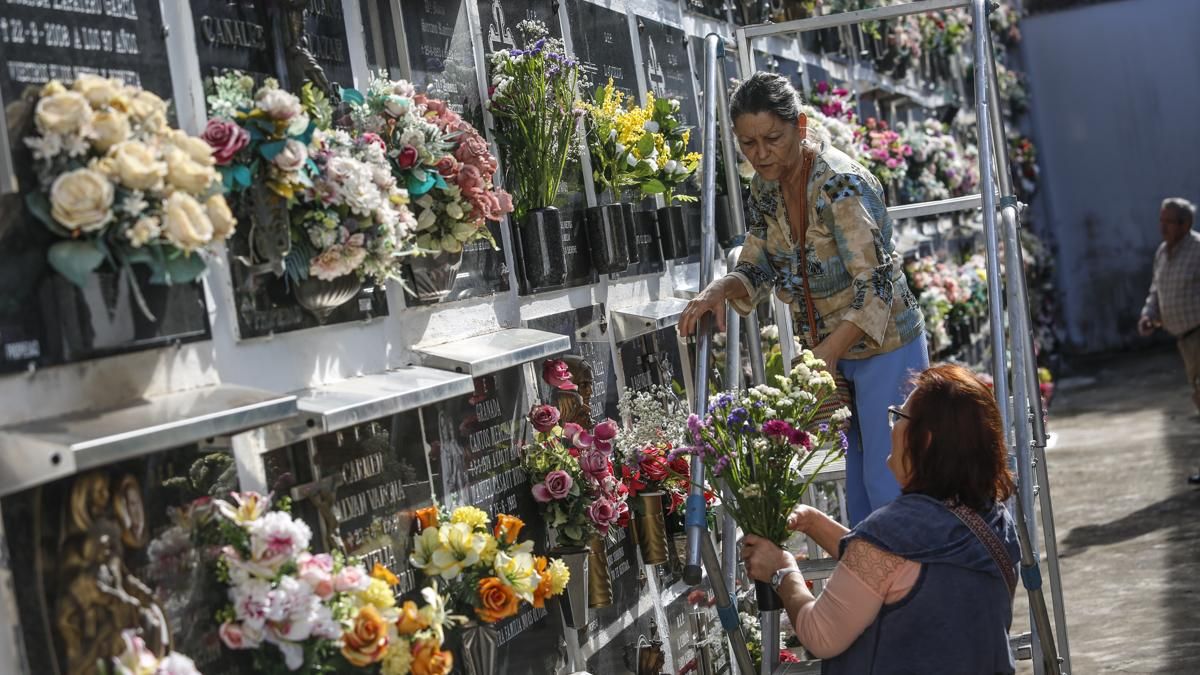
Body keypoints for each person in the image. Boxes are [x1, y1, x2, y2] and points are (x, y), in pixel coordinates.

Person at [679, 72, 927, 524]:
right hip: (830, 355)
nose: (760, 154)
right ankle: (875, 588)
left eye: (772, 138)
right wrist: (718, 289)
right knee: (858, 490)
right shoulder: (764, 187)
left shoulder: (841, 186)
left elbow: (877, 285)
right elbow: (757, 264)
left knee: (891, 481)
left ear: (802, 125)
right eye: (747, 144)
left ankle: (910, 589)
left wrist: (822, 358)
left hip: (885, 346)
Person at [740, 364, 1020, 673]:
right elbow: (897, 570)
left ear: (924, 441)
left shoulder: (892, 533)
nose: (892, 426)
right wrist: (813, 522)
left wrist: (782, 571)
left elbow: (820, 634)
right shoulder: (994, 521)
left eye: (899, 416)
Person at [1136, 198, 1200, 484]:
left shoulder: (1197, 250)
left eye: (1168, 221)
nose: (1162, 227)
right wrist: (1149, 315)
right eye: (1161, 220)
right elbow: (1156, 290)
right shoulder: (1163, 252)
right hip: (1185, 341)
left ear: (1185, 224)